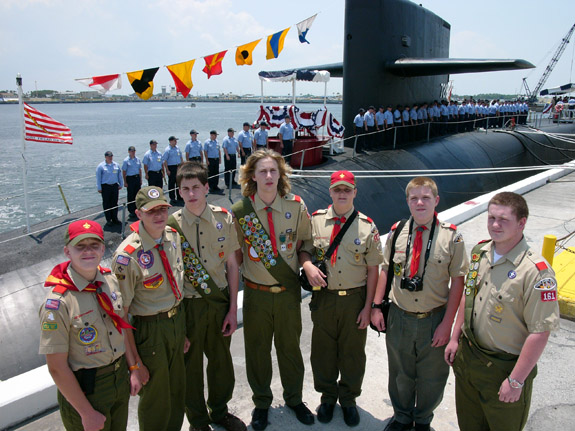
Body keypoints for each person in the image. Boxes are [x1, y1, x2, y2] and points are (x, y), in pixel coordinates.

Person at [444, 192, 560, 431]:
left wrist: (516, 381)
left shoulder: (537, 273)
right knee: (469, 425)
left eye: (503, 219)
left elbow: (540, 332)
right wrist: (455, 338)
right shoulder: (479, 253)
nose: (495, 225)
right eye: (491, 218)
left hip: (504, 369)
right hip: (470, 359)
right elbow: (468, 299)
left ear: (522, 222)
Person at [371, 176, 468, 431]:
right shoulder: (397, 232)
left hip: (434, 318)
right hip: (400, 317)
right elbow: (385, 269)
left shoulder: (452, 237)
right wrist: (376, 306)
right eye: (414, 198)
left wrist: (447, 325)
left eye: (426, 198)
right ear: (407, 201)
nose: (420, 203)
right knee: (400, 372)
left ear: (436, 200)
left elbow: (458, 282)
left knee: (432, 377)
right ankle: (402, 417)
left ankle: (423, 419)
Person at [231, 149, 314, 430]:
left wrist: (308, 264)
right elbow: (236, 256)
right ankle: (262, 403)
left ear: (281, 175)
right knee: (257, 351)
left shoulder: (296, 207)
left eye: (273, 171)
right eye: (262, 171)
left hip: (287, 293)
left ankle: (294, 399)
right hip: (256, 294)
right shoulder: (241, 213)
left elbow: (305, 244)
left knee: (290, 350)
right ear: (252, 176)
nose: (268, 176)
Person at [300, 170, 383, 427]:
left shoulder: (367, 226)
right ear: (330, 191)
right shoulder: (315, 221)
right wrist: (308, 266)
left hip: (354, 299)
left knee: (352, 353)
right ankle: (327, 397)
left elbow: (373, 271)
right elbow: (304, 250)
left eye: (347, 190)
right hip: (323, 298)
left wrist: (368, 307)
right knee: (323, 352)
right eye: (338, 189)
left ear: (355, 192)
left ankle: (348, 399)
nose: (342, 194)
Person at [170, 162, 246, 431]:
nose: (191, 194)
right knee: (190, 368)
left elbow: (232, 266)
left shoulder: (223, 218)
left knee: (221, 362)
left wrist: (232, 310)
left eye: (196, 188)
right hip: (188, 306)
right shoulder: (171, 227)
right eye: (185, 189)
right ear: (179, 192)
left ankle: (219, 412)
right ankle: (198, 421)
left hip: (218, 302)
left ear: (206, 187)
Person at [39, 219, 133, 431]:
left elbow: (121, 327)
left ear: (102, 248)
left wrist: (132, 369)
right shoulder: (58, 303)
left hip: (118, 379)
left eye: (94, 245)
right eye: (80, 246)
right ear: (67, 251)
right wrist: (86, 412)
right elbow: (56, 367)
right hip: (87, 389)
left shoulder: (109, 281)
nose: (88, 252)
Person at [112, 186, 187, 431]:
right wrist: (134, 365)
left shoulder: (172, 237)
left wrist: (181, 332)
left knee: (177, 390)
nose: (159, 215)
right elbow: (121, 316)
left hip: (176, 323)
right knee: (156, 397)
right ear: (138, 214)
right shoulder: (128, 256)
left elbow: (175, 288)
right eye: (151, 211)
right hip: (149, 330)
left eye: (163, 209)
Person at [96, 151, 123, 227]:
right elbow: (98, 178)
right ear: (105, 157)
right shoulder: (101, 166)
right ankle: (108, 219)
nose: (110, 157)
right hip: (106, 186)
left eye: (111, 156)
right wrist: (99, 187)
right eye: (109, 156)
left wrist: (121, 184)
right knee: (107, 203)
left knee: (114, 202)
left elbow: (119, 175)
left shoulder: (116, 165)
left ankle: (115, 218)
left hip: (114, 186)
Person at [122, 146, 142, 220]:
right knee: (130, 195)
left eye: (134, 151)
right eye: (131, 151)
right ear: (129, 152)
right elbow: (124, 172)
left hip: (136, 177)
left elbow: (140, 169)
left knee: (137, 194)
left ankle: (138, 208)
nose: (133, 152)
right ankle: (131, 211)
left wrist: (140, 179)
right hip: (130, 178)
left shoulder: (137, 159)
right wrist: (125, 182)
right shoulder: (126, 161)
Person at [163, 136, 184, 204]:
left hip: (178, 166)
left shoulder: (177, 148)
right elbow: (165, 160)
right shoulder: (167, 150)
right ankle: (172, 198)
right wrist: (167, 170)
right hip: (171, 167)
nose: (176, 142)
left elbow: (181, 157)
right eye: (175, 140)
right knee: (172, 183)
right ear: (171, 141)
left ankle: (179, 196)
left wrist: (182, 166)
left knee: (179, 182)